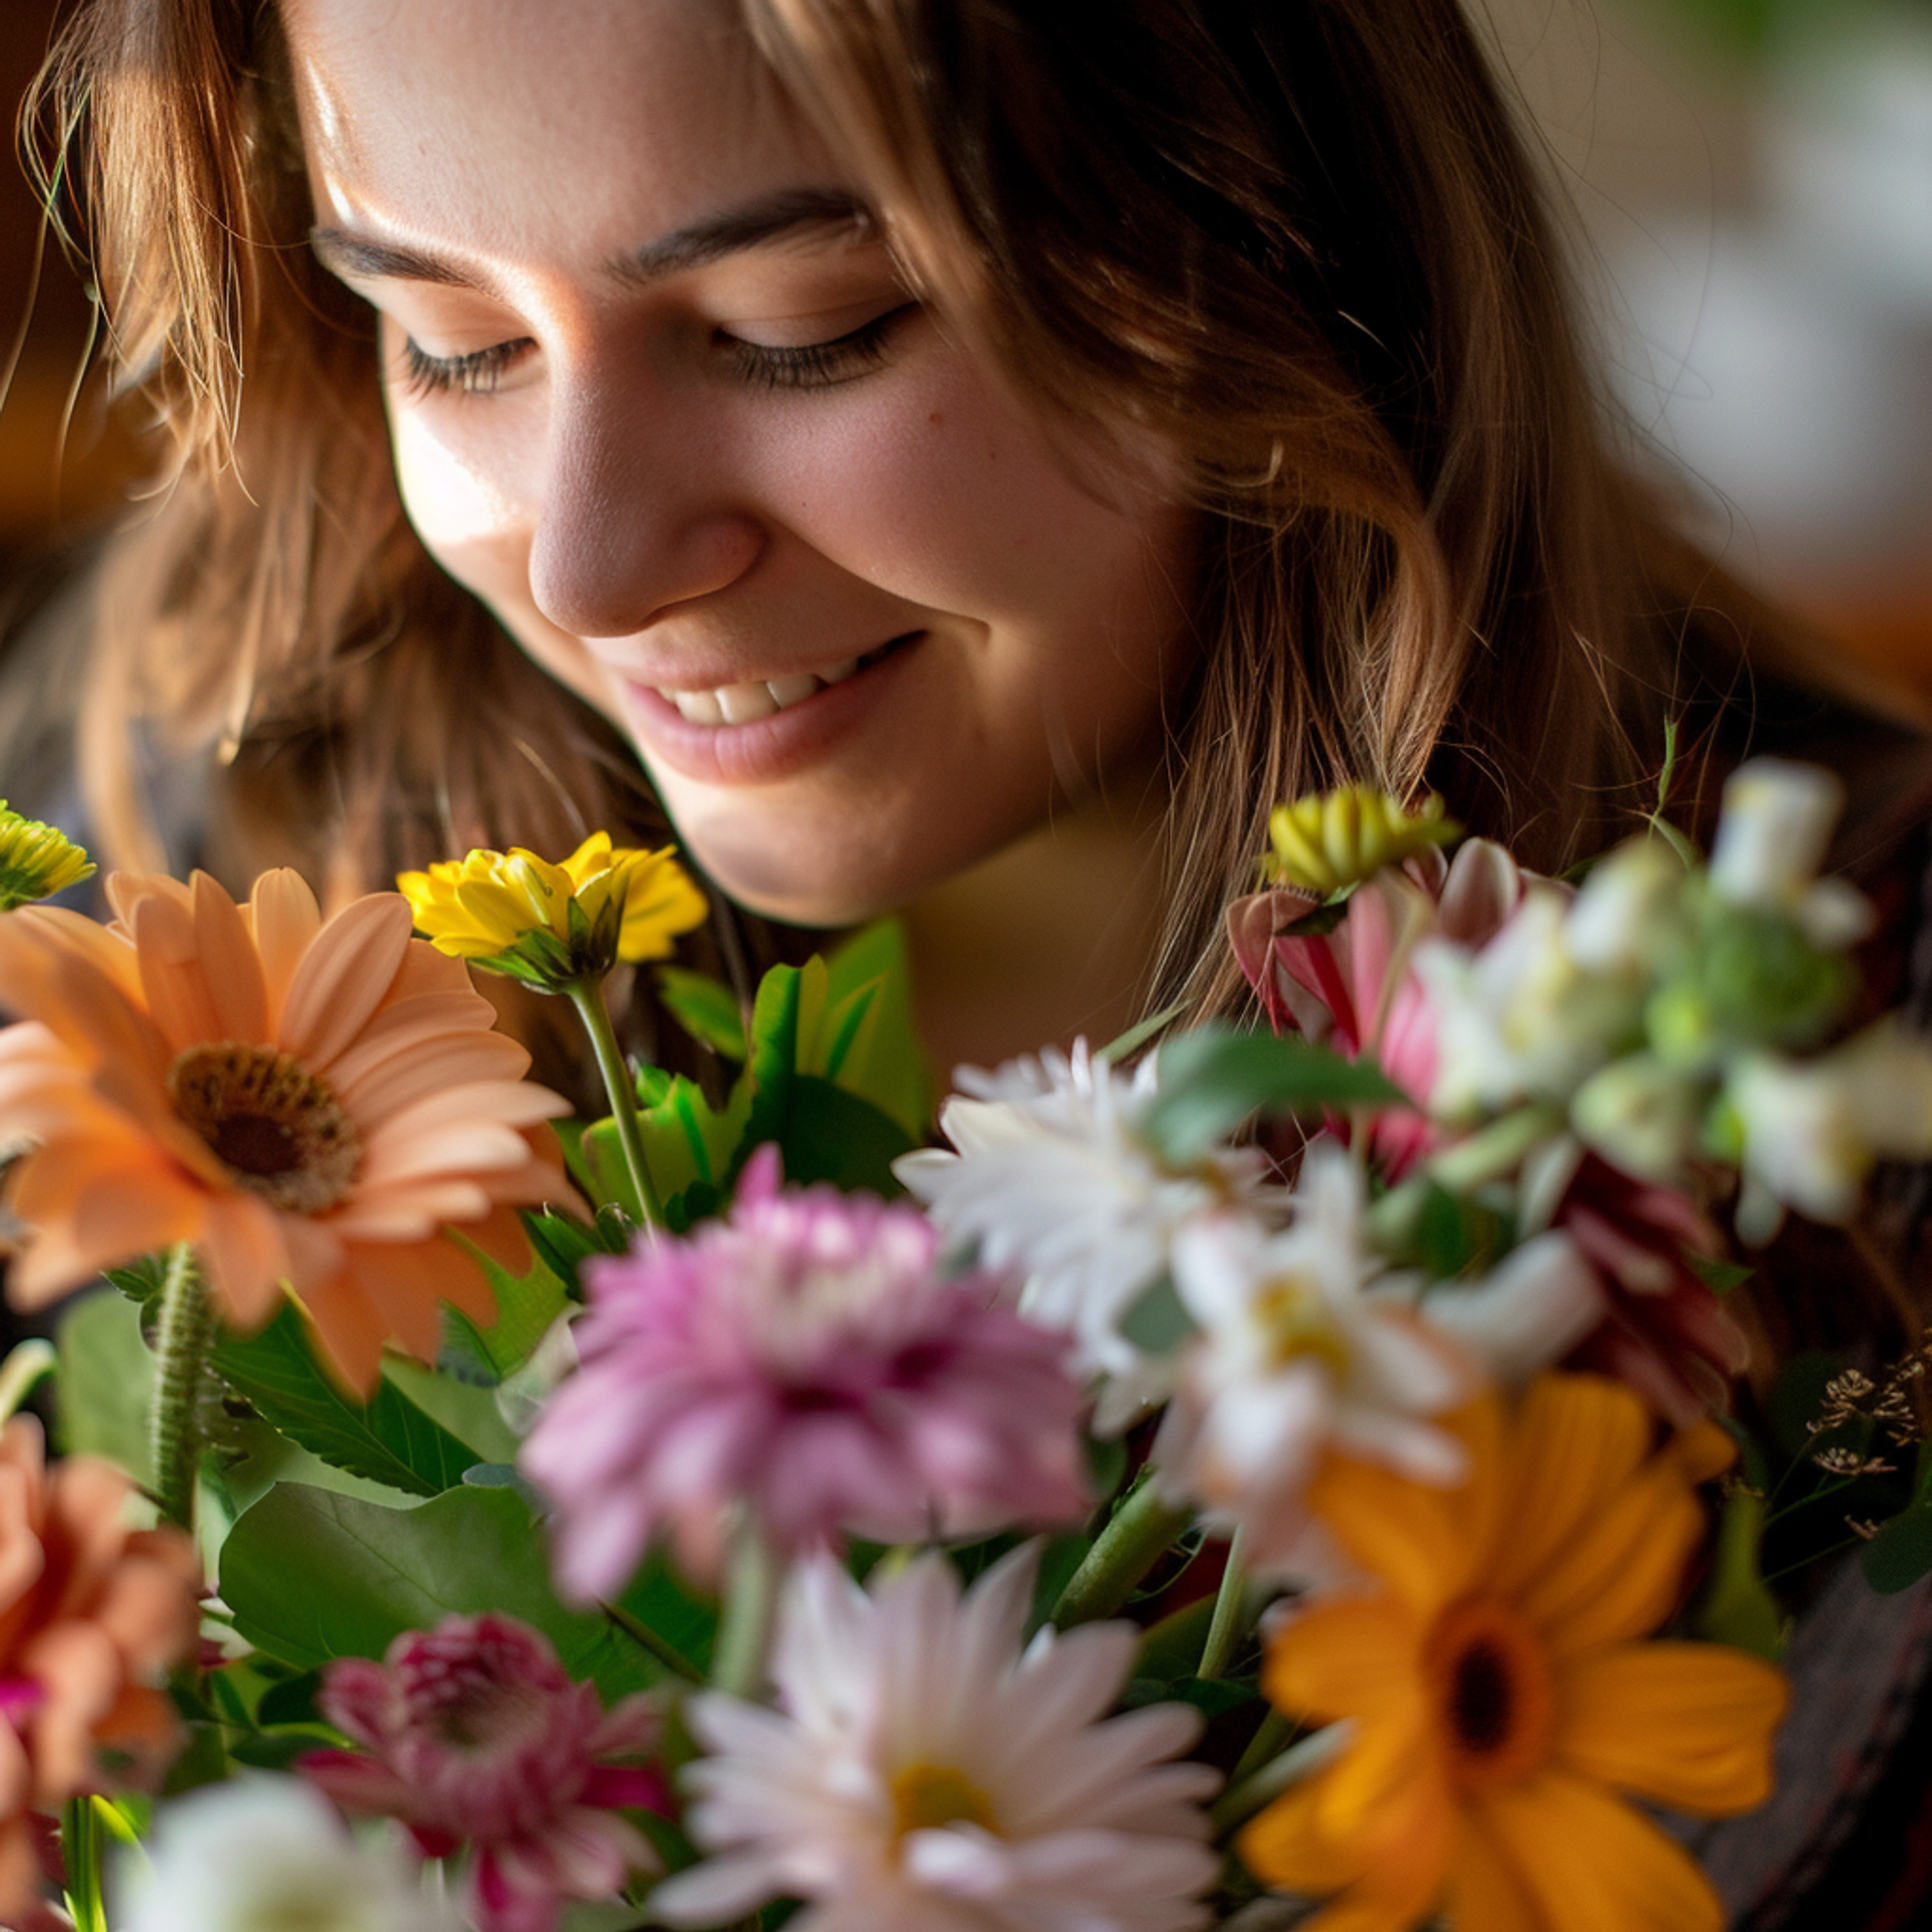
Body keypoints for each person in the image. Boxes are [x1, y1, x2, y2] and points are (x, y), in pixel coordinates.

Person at [9, 1, 1932, 1925]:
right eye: (458, 343)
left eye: (803, 326)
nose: (590, 566)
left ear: (1278, 246)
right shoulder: (161, 875)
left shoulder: (1838, 1071)